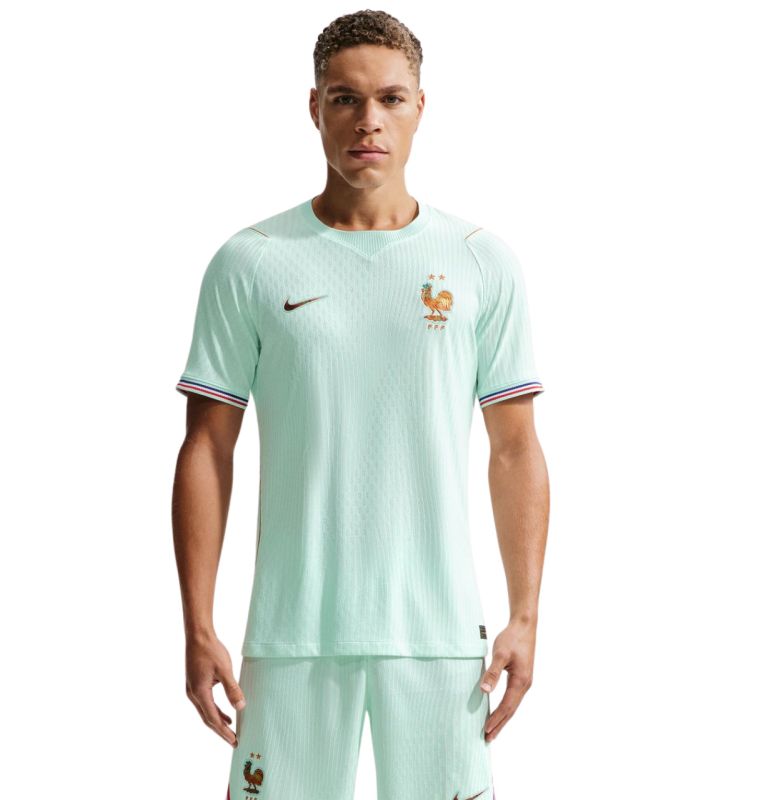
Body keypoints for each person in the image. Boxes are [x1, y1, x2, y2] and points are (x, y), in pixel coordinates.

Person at [172, 9, 549, 800]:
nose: (367, 120)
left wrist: (525, 614)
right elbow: (207, 447)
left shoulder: (480, 262)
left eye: (390, 98)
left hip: (440, 637)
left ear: (420, 107)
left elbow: (515, 447)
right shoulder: (251, 262)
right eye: (345, 98)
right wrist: (199, 624)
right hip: (293, 632)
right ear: (315, 107)